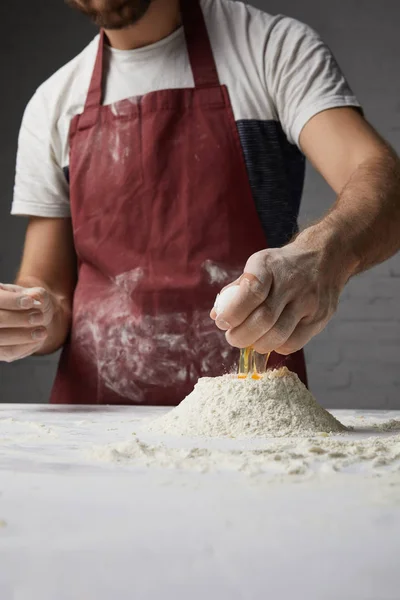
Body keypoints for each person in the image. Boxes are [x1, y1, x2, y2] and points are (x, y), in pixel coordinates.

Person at [1, 0, 399, 405]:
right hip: (95, 423)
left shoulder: (270, 49)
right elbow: (48, 288)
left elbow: (381, 180)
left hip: (250, 412)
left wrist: (321, 256)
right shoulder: (51, 104)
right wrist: (32, 315)